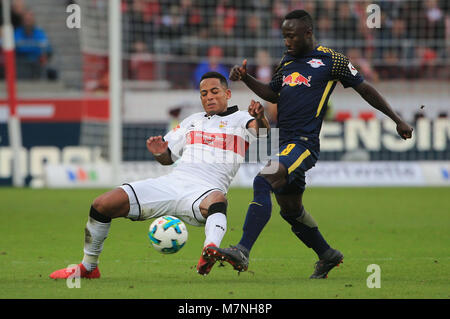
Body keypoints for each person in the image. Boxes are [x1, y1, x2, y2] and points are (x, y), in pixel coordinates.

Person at [204, 10, 413, 279]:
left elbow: (365, 88)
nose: (287, 41)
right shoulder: (287, 61)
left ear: (308, 33)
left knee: (262, 180)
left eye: (291, 36)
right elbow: (272, 93)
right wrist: (246, 77)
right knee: (291, 211)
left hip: (303, 145)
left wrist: (397, 119)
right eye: (284, 36)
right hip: (284, 144)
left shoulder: (332, 60)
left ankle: (242, 250)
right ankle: (327, 255)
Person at [49, 72, 270, 279]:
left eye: (215, 91)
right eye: (204, 93)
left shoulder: (241, 119)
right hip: (172, 183)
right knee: (102, 204)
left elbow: (261, 130)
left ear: (227, 94)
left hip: (205, 191)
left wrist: (260, 117)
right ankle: (88, 267)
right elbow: (168, 158)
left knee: (218, 200)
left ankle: (209, 250)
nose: (209, 97)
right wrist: (159, 152)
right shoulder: (192, 120)